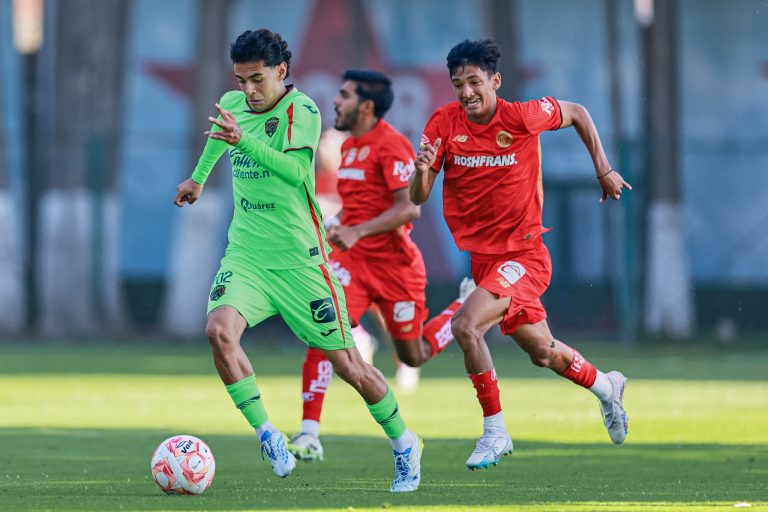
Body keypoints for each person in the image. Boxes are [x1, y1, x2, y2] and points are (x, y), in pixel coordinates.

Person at [172, 29, 422, 493]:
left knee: (350, 366)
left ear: (281, 72)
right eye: (242, 80)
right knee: (218, 332)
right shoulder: (235, 103)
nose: (248, 89)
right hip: (247, 255)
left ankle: (405, 443)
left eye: (257, 79)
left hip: (301, 263)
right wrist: (198, 179)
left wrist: (241, 141)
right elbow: (218, 138)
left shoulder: (302, 110)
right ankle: (269, 435)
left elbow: (294, 171)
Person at [409, 39, 632, 470]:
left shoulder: (523, 116)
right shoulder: (442, 123)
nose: (467, 92)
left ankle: (495, 431)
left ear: (495, 81)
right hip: (484, 261)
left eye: (475, 82)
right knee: (544, 353)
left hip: (525, 256)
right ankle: (608, 387)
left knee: (465, 326)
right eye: (458, 85)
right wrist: (421, 172)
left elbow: (579, 113)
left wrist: (602, 169)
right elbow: (418, 197)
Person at [287, 69, 467, 463]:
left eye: (344, 95)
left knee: (414, 353)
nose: (335, 101)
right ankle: (309, 433)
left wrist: (357, 230)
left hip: (395, 268)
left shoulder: (391, 146)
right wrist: (337, 226)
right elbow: (356, 207)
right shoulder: (348, 147)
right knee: (324, 330)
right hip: (352, 263)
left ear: (366, 106)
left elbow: (410, 208)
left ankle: (459, 311)